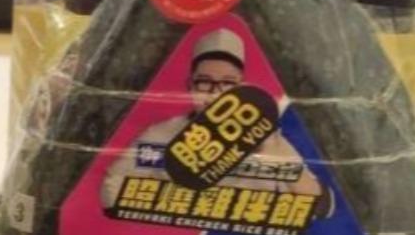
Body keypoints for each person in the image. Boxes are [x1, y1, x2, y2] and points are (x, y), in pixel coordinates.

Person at [101, 28, 322, 209]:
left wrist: (270, 153)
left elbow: (318, 204)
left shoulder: (268, 138)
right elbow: (110, 191)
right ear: (190, 86)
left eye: (227, 83)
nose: (215, 93)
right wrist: (186, 203)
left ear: (240, 88)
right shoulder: (160, 135)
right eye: (205, 82)